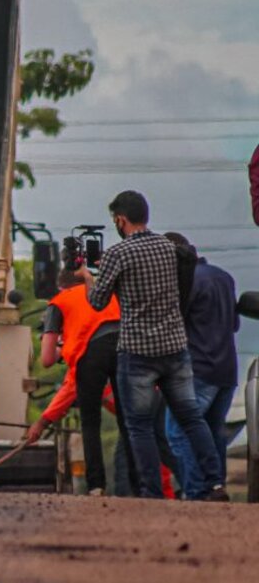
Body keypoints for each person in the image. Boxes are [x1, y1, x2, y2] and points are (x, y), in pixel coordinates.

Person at [79, 190, 227, 500]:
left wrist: (87, 277)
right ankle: (215, 483)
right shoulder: (172, 248)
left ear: (121, 220)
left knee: (139, 426)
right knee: (191, 418)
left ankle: (151, 493)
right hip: (175, 349)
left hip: (138, 352)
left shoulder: (119, 254)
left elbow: (97, 302)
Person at [25, 269, 131, 495]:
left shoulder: (59, 302)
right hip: (125, 351)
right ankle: (141, 483)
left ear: (61, 287)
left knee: (90, 423)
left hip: (90, 357)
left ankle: (96, 486)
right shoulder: (112, 295)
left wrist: (61, 345)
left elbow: (46, 360)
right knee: (128, 421)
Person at [163, 232, 239, 499]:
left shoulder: (188, 283)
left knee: (177, 431)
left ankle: (197, 491)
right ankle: (217, 487)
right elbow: (234, 324)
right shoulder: (224, 277)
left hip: (198, 370)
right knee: (213, 432)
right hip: (228, 370)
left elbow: (176, 326)